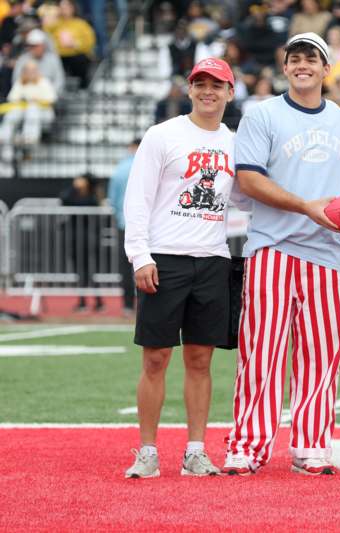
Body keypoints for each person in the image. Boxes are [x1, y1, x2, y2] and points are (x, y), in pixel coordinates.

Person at [222, 33, 340, 476]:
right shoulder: (261, 114)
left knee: (321, 355)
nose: (303, 65)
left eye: (312, 59)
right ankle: (247, 445)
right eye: (295, 58)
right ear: (285, 67)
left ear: (326, 68)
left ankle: (311, 445)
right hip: (271, 247)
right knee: (260, 352)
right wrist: (305, 206)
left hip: (330, 253)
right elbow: (249, 180)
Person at [123, 57, 237, 479]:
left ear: (230, 92)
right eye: (200, 83)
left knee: (201, 359)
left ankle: (195, 451)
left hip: (213, 259)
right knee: (155, 358)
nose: (208, 91)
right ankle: (147, 451)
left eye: (217, 84)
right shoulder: (162, 135)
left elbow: (245, 198)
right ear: (189, 89)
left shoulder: (235, 142)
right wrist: (140, 255)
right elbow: (138, 198)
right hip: (164, 258)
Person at [60, 172, 103, 312]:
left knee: (91, 270)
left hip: (89, 239)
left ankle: (97, 301)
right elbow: (64, 199)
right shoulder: (74, 194)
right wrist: (73, 187)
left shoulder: (92, 197)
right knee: (80, 271)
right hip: (75, 238)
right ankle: (83, 301)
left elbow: (81, 203)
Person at [107, 138, 139, 315]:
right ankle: (148, 304)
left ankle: (127, 304)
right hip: (148, 225)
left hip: (124, 223)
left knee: (126, 266)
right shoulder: (149, 165)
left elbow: (112, 199)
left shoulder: (120, 169)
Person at [0, 60, 56, 159]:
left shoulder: (43, 82)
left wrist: (35, 100)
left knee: (32, 108)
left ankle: (29, 138)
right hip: (23, 112)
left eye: (33, 70)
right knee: (14, 112)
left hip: (43, 113)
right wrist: (23, 99)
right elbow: (12, 98)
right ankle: (3, 136)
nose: (30, 73)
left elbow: (51, 99)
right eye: (28, 71)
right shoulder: (20, 82)